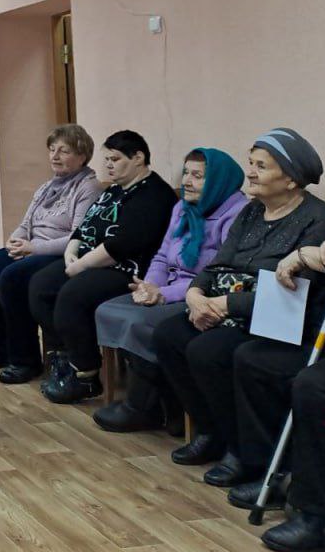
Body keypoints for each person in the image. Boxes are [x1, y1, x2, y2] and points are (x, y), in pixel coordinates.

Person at [153, 128, 325, 485]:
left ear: (291, 178)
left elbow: (296, 292)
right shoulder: (253, 210)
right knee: (169, 334)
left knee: (209, 351)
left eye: (261, 166)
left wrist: (224, 304)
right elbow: (218, 263)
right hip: (230, 308)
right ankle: (211, 429)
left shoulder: (319, 220)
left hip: (281, 319)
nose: (250, 173)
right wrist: (195, 295)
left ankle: (242, 450)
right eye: (251, 163)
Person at [225, 236, 325, 552]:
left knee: (316, 386)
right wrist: (312, 254)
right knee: (256, 359)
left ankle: (319, 511)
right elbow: (321, 263)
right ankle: (274, 473)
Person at [92, 148, 247, 433]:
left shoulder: (236, 214)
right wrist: (150, 286)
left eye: (197, 176)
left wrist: (165, 295)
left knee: (139, 322)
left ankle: (142, 407)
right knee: (108, 309)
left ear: (218, 181)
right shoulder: (182, 208)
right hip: (168, 287)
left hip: (201, 295)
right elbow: (163, 256)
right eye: (185, 173)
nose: (186, 181)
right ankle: (165, 403)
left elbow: (217, 275)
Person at [27, 130, 179, 404]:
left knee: (72, 295)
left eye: (115, 159)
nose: (108, 165)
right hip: (91, 261)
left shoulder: (154, 194)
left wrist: (80, 265)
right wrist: (71, 251)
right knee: (40, 285)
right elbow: (85, 225)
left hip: (127, 270)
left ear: (138, 158)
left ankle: (85, 374)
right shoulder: (114, 190)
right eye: (106, 159)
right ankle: (66, 356)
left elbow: (122, 245)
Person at [0, 124, 103, 384]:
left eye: (64, 151)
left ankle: (25, 360)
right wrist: (15, 239)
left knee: (12, 277)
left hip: (59, 253)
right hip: (32, 248)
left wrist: (33, 248)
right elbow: (26, 223)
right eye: (52, 150)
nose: (55, 156)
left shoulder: (89, 188)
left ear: (82, 155)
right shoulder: (47, 187)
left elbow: (78, 237)